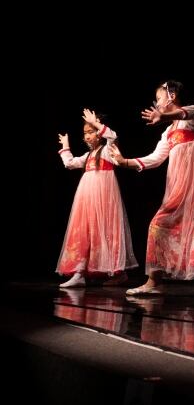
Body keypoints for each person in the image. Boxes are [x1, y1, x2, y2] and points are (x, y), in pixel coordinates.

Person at [111, 80, 194, 294]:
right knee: (159, 225)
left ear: (172, 95)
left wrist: (163, 115)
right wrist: (124, 161)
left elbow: (187, 113)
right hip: (178, 187)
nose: (156, 104)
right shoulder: (168, 132)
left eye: (158, 99)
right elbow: (156, 158)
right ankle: (154, 282)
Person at [57, 109, 137, 287]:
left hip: (104, 197)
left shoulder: (108, 151)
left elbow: (112, 136)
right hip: (86, 198)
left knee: (106, 230)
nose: (87, 136)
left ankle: (118, 272)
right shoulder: (87, 156)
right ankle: (79, 272)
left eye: (91, 132)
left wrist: (97, 124)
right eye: (85, 133)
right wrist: (65, 146)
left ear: (99, 134)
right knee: (84, 231)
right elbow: (69, 164)